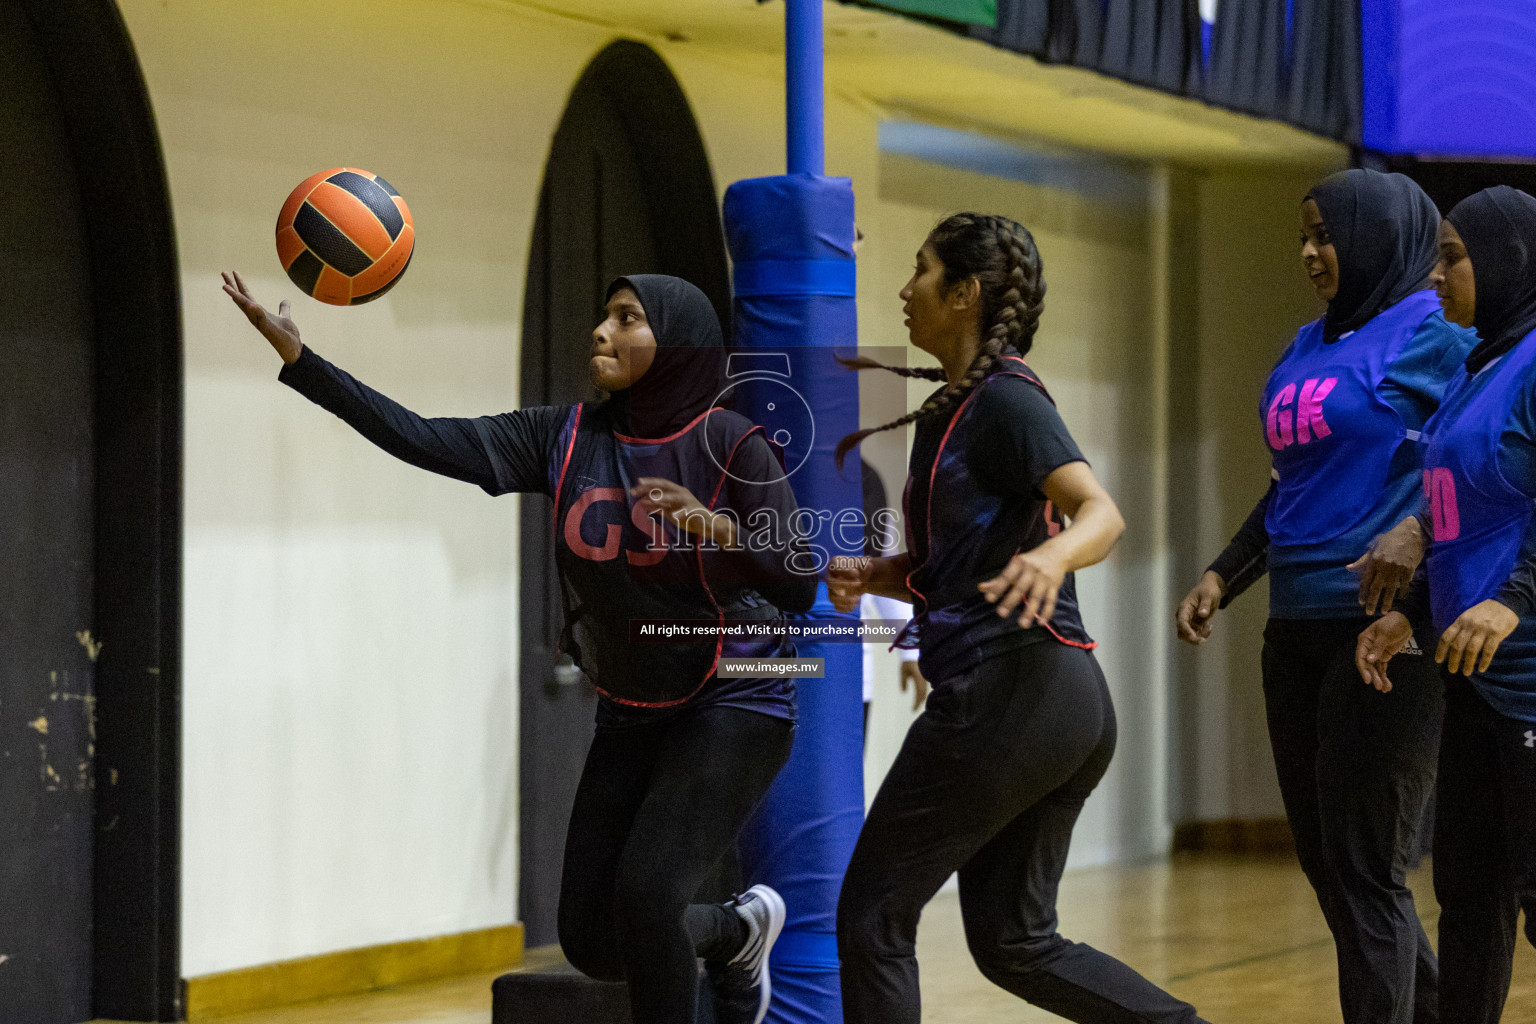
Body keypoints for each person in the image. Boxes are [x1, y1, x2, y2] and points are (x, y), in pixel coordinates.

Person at [222, 270, 817, 1024]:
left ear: (677, 342)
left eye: (627, 319)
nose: (601, 331)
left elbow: (800, 581)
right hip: (636, 700)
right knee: (594, 938)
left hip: (737, 690)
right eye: (603, 315)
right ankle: (736, 932)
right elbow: (426, 438)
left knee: (649, 893)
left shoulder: (731, 443)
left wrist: (717, 527)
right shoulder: (565, 436)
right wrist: (303, 362)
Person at [826, 213, 1210, 1024]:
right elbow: (958, 564)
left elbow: (1100, 513)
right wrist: (881, 573)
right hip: (1053, 704)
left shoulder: (1007, 398)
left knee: (872, 915)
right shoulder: (950, 412)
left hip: (1015, 692)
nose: (903, 288)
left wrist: (1054, 556)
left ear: (963, 294)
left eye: (921, 270)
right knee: (1013, 941)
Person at [1174, 169, 1474, 1024]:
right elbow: (1292, 488)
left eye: (1326, 235)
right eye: (1303, 236)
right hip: (1294, 629)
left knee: (1366, 867)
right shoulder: (1304, 345)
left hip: (1384, 629)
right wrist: (1223, 573)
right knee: (1329, 866)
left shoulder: (1438, 339)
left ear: (1376, 236)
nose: (1310, 253)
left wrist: (1418, 532)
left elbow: (1484, 467)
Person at [1357, 186, 1536, 1024]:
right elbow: (1459, 517)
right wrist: (1413, 611)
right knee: (1466, 890)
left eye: (1454, 256)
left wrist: (1514, 600)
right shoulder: (1479, 366)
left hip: (1529, 670)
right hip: (1470, 669)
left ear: (1511, 259)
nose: (1436, 276)